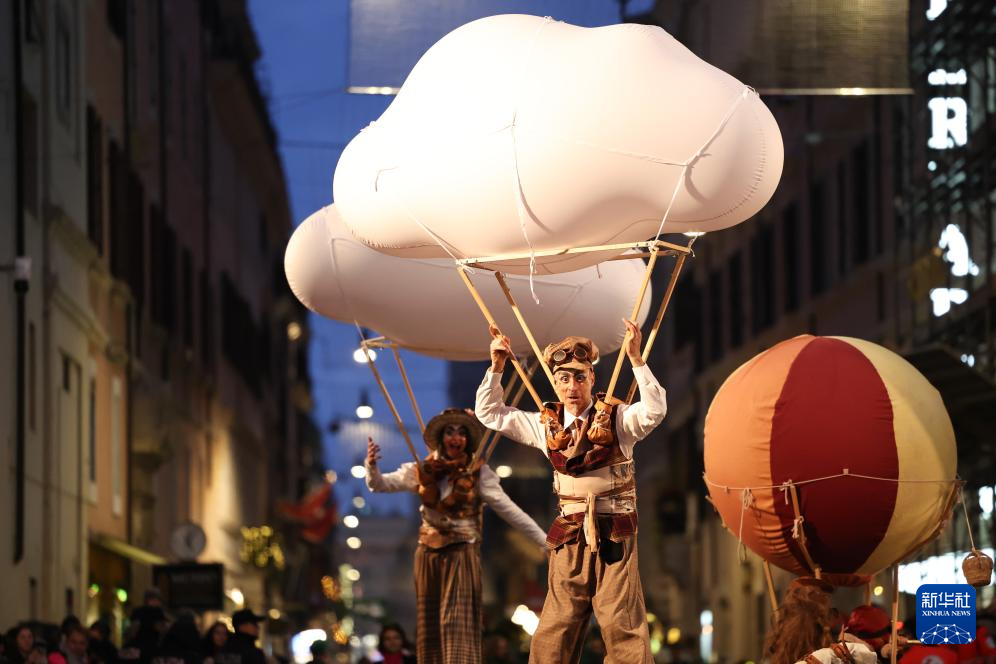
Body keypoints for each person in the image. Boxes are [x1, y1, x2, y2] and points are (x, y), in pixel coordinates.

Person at [475, 321, 667, 664]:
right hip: (569, 533)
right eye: (563, 379)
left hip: (615, 533)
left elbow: (654, 411)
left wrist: (637, 360)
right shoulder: (544, 425)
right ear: (555, 383)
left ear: (592, 378)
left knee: (620, 619)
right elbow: (490, 413)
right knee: (558, 622)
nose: (572, 386)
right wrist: (497, 367)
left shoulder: (618, 419)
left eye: (579, 377)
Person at [365, 408, 547, 664]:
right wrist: (372, 466)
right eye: (450, 432)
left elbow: (510, 511)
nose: (456, 437)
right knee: (430, 621)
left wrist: (544, 541)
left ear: (468, 441)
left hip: (461, 551)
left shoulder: (478, 473)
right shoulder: (423, 469)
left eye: (462, 433)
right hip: (428, 553)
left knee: (456, 620)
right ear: (441, 438)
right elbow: (380, 485)